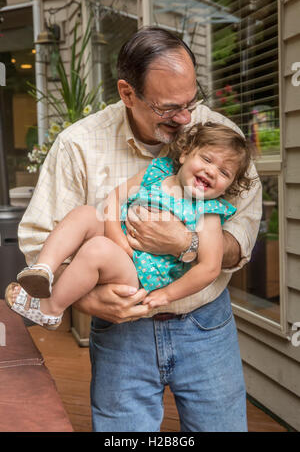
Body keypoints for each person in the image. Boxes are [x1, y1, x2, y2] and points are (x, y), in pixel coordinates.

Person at [9, 27, 262, 431]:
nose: (185, 118)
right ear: (128, 93)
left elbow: (240, 240)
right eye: (168, 107)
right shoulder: (79, 143)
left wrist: (187, 243)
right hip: (121, 327)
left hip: (202, 321)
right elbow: (40, 237)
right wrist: (89, 296)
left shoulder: (220, 141)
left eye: (191, 101)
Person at [6, 123, 255, 329]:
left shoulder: (208, 212)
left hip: (139, 272)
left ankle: (51, 309)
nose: (212, 171)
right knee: (85, 213)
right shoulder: (158, 171)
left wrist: (166, 295)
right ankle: (43, 270)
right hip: (121, 242)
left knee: (97, 249)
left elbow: (210, 268)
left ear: (230, 185)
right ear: (184, 154)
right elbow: (114, 198)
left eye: (224, 172)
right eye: (207, 159)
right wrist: (117, 236)